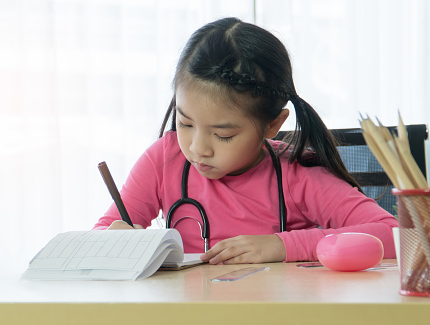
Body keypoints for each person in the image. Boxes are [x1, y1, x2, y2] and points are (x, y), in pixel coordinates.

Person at [93, 17, 398, 264]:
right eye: (185, 123)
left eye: (223, 135)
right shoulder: (164, 159)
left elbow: (397, 234)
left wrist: (284, 246)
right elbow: (102, 233)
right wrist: (115, 240)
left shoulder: (297, 175)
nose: (198, 148)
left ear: (272, 124)